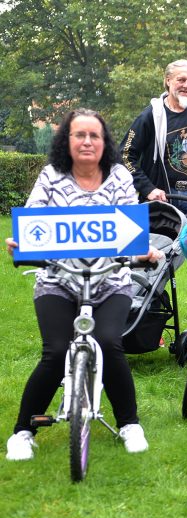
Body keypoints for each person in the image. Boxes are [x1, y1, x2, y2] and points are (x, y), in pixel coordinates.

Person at [5, 109, 163, 461]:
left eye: (95, 135)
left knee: (109, 343)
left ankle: (129, 424)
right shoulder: (51, 176)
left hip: (110, 280)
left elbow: (130, 228)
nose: (88, 141)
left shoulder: (120, 176)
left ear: (104, 142)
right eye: (80, 135)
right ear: (68, 140)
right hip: (58, 280)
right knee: (56, 351)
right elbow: (31, 222)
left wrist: (143, 250)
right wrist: (21, 242)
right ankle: (23, 432)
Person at [120, 58, 187, 277]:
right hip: (162, 199)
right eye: (181, 79)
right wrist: (148, 188)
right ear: (168, 81)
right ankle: (151, 309)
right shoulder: (150, 116)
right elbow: (125, 154)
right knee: (155, 263)